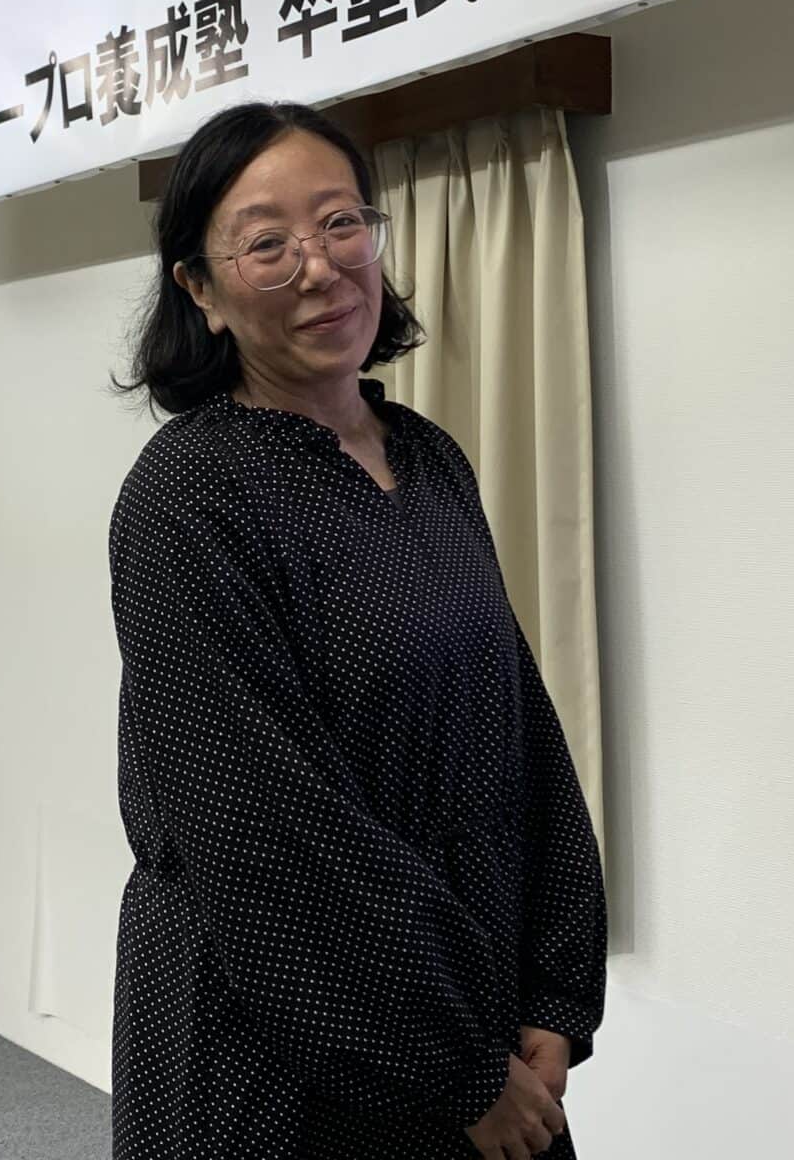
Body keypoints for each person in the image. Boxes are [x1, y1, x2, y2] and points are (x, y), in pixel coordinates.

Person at [108, 101, 608, 1159]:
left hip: (464, 1000)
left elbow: (518, 722)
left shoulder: (427, 457)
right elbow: (263, 826)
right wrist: (455, 1067)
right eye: (267, 243)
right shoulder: (188, 494)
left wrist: (554, 989)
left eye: (341, 223)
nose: (320, 265)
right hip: (284, 1033)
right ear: (200, 290)